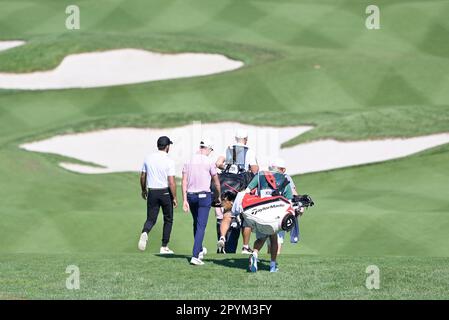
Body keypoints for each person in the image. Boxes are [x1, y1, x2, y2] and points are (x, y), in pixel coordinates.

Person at [244, 159, 295, 272]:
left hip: (260, 212)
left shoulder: (260, 175)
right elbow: (289, 200)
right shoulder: (285, 179)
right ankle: (272, 266)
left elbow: (247, 191)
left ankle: (255, 254)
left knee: (262, 237)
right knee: (274, 238)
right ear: (282, 169)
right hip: (277, 214)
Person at [216, 128, 259, 254]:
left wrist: (229, 167)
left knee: (227, 214)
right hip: (241, 187)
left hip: (227, 186)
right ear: (246, 139)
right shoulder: (249, 151)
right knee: (246, 218)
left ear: (235, 138)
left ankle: (222, 237)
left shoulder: (228, 148)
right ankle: (245, 247)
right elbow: (255, 170)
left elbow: (218, 163)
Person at [182, 139, 221, 266]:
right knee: (201, 226)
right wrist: (218, 196)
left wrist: (184, 200)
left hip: (191, 196)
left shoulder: (189, 160)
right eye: (211, 150)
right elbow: (216, 182)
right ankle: (195, 256)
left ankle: (199, 250)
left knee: (196, 223)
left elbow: (184, 181)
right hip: (204, 197)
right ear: (208, 148)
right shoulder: (209, 161)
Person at [138, 136, 177, 254]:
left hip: (152, 192)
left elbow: (143, 176)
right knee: (168, 219)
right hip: (165, 192)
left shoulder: (148, 158)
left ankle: (145, 232)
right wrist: (174, 197)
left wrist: (144, 190)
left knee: (151, 219)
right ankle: (164, 246)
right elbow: (171, 181)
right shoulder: (169, 161)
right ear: (167, 147)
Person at [265, 158, 301, 255]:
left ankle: (271, 261)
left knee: (271, 241)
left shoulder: (265, 177)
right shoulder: (286, 177)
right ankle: (273, 262)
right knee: (277, 240)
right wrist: (299, 204)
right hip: (280, 210)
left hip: (267, 210)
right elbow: (293, 192)